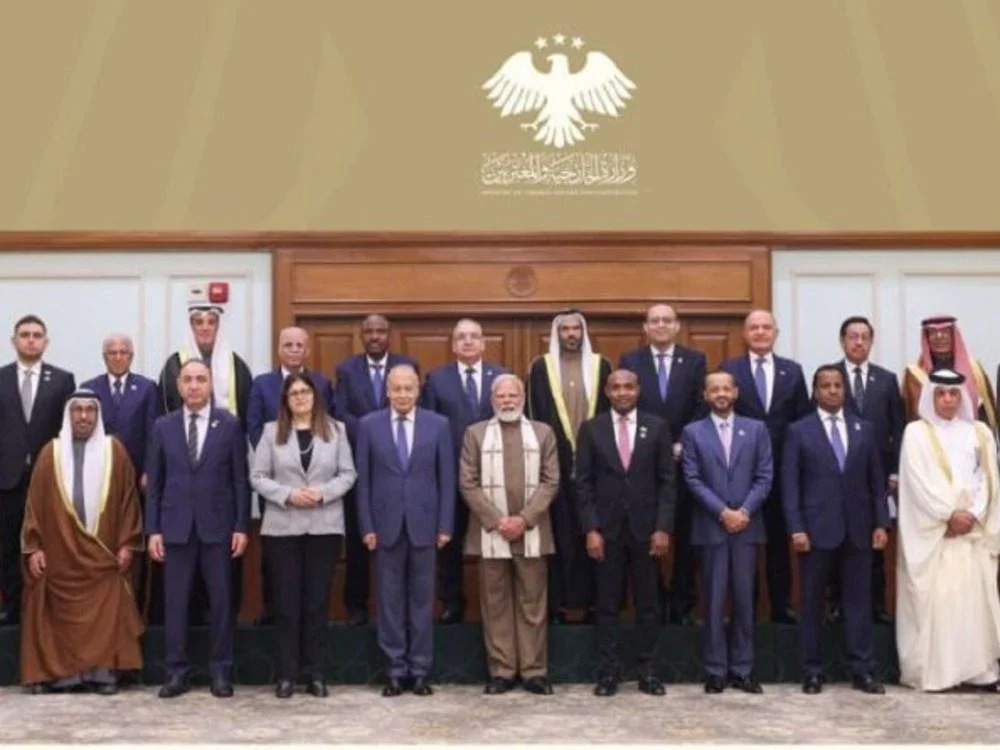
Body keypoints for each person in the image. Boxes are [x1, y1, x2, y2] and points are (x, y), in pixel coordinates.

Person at [19, 389, 144, 695]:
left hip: (103, 556)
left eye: (90, 410)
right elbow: (34, 506)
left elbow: (129, 502)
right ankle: (63, 675)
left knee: (110, 599)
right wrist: (34, 547)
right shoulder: (50, 453)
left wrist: (127, 544)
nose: (84, 416)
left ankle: (103, 672)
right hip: (60, 555)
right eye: (78, 410)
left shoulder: (115, 452)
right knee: (49, 598)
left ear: (98, 415)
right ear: (69, 415)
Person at [145, 359, 250, 699]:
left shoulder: (229, 424)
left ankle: (221, 671)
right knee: (175, 604)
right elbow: (155, 484)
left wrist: (241, 526)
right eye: (187, 380)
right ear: (178, 386)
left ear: (210, 384)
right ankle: (176, 672)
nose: (193, 386)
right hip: (174, 528)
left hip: (218, 528)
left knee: (221, 602)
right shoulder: (163, 426)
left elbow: (239, 480)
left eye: (200, 379)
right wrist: (153, 530)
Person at [782, 365, 889, 696]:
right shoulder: (798, 431)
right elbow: (790, 485)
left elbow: (876, 483)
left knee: (858, 603)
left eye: (837, 385)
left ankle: (863, 670)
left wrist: (881, 523)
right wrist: (796, 528)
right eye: (825, 385)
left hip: (858, 531)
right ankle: (812, 671)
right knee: (812, 603)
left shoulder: (864, 429)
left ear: (845, 389)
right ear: (815, 391)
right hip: (815, 532)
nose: (832, 390)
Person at [250, 373, 356, 699]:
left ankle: (316, 674)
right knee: (286, 604)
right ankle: (286, 674)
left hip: (324, 527)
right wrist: (288, 494)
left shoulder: (336, 431)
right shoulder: (271, 432)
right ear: (285, 399)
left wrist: (323, 493)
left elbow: (348, 474)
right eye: (293, 392)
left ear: (315, 396)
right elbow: (257, 476)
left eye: (305, 392)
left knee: (316, 603)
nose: (299, 397)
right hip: (283, 528)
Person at [896, 369, 1000, 692]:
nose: (947, 399)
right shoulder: (916, 433)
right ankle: (939, 674)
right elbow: (917, 482)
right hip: (937, 535)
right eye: (941, 393)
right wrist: (948, 515)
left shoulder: (979, 432)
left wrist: (972, 513)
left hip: (971, 533)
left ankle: (980, 672)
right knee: (942, 604)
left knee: (974, 604)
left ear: (962, 396)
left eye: (954, 393)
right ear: (931, 396)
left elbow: (989, 478)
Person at [355, 364, 453, 697]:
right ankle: (395, 670)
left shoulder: (438, 425)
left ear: (418, 390)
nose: (402, 395)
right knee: (389, 601)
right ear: (387, 391)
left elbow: (447, 479)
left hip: (426, 525)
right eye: (396, 388)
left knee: (422, 601)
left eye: (408, 388)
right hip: (384, 527)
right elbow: (363, 482)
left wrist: (445, 524)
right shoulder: (369, 425)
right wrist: (366, 525)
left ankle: (420, 670)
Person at [576, 369, 675, 697]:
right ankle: (608, 672)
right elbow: (583, 484)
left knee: (648, 604)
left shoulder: (657, 427)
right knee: (606, 605)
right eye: (616, 387)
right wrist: (591, 528)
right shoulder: (591, 429)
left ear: (638, 389)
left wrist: (663, 527)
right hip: (606, 532)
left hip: (647, 532)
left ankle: (649, 671)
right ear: (607, 391)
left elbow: (667, 482)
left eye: (628, 386)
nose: (622, 392)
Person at [157, 285, 252, 621]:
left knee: (222, 578)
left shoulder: (237, 366)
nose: (205, 328)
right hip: (182, 486)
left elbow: (247, 421)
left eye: (211, 322)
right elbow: (165, 419)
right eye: (198, 322)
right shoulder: (173, 365)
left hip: (221, 483)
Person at [459, 374, 558, 695]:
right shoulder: (475, 434)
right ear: (492, 401)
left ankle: (534, 671)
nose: (507, 401)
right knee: (495, 604)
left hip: (532, 531)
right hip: (491, 533)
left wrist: (524, 519)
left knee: (533, 604)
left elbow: (551, 481)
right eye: (501, 396)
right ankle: (501, 670)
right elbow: (468, 483)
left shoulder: (543, 433)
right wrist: (498, 520)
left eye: (513, 395)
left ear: (523, 398)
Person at [682, 371, 771, 694]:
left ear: (735, 393)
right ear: (705, 395)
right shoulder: (692, 432)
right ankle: (716, 670)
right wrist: (723, 512)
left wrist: (744, 511)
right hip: (712, 527)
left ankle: (743, 669)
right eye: (714, 389)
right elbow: (692, 478)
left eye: (726, 388)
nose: (720, 394)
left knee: (745, 601)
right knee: (714, 601)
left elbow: (764, 476)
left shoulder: (756, 429)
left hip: (747, 527)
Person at [619, 303, 707, 625]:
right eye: (654, 321)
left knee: (685, 533)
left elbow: (701, 405)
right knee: (646, 532)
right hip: (644, 462)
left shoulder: (695, 359)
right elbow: (627, 405)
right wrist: (652, 445)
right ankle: (653, 601)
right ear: (645, 327)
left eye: (666, 320)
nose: (660, 325)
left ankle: (682, 603)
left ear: (676, 326)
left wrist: (683, 442)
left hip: (686, 460)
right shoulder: (631, 360)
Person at [720, 310, 810, 624]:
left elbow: (802, 422)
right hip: (741, 473)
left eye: (766, 327)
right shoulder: (729, 369)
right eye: (754, 327)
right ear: (745, 334)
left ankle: (781, 606)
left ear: (776, 333)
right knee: (742, 545)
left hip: (783, 472)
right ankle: (745, 609)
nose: (760, 332)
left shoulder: (792, 371)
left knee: (778, 545)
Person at [247, 325, 339, 626]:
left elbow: (329, 428)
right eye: (288, 344)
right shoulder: (262, 384)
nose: (294, 350)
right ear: (279, 349)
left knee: (314, 571)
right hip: (276, 486)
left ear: (307, 350)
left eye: (300, 345)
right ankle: (272, 610)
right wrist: (280, 460)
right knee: (275, 558)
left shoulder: (322, 383)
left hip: (317, 491)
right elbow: (254, 427)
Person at [526, 309, 611, 624]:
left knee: (593, 533)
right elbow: (533, 416)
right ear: (557, 334)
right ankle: (559, 605)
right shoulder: (541, 367)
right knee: (560, 534)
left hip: (597, 468)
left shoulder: (602, 366)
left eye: (577, 329)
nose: (571, 334)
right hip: (555, 466)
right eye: (565, 329)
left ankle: (594, 604)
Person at [333, 313, 419, 626]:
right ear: (361, 335)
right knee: (359, 538)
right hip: (359, 463)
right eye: (368, 331)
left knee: (399, 538)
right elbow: (341, 413)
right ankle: (356, 606)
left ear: (389, 334)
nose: (374, 336)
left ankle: (398, 608)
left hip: (399, 463)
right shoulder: (346, 369)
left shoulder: (407, 365)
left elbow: (411, 406)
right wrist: (373, 431)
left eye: (380, 331)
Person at [424, 318, 507, 624]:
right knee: (450, 541)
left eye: (474, 336)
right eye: (461, 337)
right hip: (451, 474)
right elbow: (429, 428)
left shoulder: (502, 376)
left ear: (483, 343)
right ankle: (452, 602)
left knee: (495, 539)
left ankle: (496, 606)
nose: (468, 341)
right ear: (454, 345)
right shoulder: (437, 379)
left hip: (495, 474)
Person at [0, 314, 75, 625]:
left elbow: (67, 432)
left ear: (46, 342)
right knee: (8, 545)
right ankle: (13, 608)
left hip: (48, 480)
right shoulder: (1, 378)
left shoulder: (62, 380)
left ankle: (46, 607)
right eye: (25, 335)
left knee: (49, 543)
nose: (31, 340)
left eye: (36, 335)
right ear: (14, 341)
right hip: (7, 479)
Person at [80, 333, 159, 619]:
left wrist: (150, 470)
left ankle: (134, 611)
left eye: (123, 352)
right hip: (98, 482)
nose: (118, 357)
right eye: (112, 352)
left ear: (131, 356)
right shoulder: (89, 388)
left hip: (137, 482)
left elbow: (153, 434)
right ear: (104, 357)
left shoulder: (147, 388)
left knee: (134, 546)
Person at [832, 316, 904, 625]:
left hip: (878, 479)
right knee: (837, 540)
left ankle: (876, 606)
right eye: (853, 336)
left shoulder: (886, 380)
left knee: (876, 542)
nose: (859, 342)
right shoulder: (830, 377)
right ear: (842, 341)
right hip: (839, 475)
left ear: (872, 342)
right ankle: (836, 606)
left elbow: (898, 428)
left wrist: (896, 471)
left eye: (865, 337)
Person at [901, 315, 997, 432]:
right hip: (928, 439)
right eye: (932, 333)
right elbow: (907, 415)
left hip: (970, 437)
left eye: (945, 332)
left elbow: (985, 412)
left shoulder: (974, 370)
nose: (939, 337)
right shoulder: (914, 375)